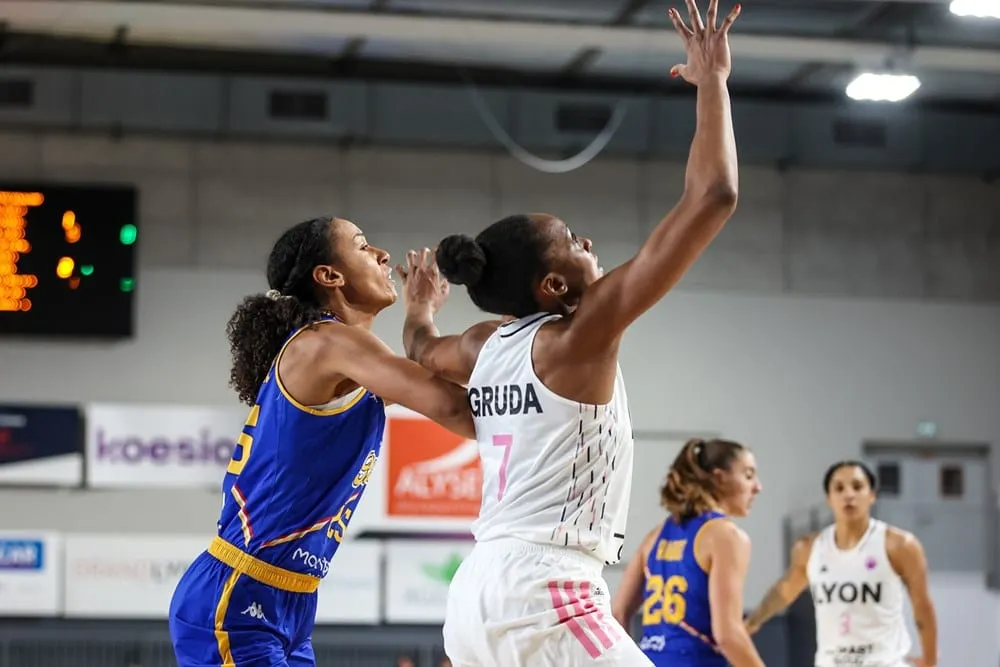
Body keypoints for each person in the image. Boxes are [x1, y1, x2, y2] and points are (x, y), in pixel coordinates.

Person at [395, 2, 741, 664]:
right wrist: (714, 85)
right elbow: (713, 196)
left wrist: (420, 305)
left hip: (475, 595)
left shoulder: (480, 346)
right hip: (545, 590)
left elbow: (417, 349)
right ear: (553, 289)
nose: (586, 240)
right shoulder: (577, 332)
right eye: (570, 241)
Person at [168, 216, 475, 667]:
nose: (382, 254)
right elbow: (452, 406)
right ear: (330, 276)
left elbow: (430, 380)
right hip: (238, 595)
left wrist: (420, 312)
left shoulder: (345, 358)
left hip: (287, 602)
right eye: (363, 245)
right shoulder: (324, 344)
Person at [744, 460, 938, 667]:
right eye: (839, 488)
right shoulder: (809, 548)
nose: (849, 495)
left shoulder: (900, 545)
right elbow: (785, 590)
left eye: (857, 487)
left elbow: (922, 605)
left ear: (872, 495)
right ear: (829, 499)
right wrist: (752, 622)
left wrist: (931, 658)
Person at [611, 438, 765, 667]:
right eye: (749, 475)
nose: (757, 487)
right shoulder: (726, 536)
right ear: (719, 477)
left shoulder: (655, 536)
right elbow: (728, 634)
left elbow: (618, 614)